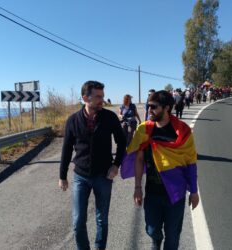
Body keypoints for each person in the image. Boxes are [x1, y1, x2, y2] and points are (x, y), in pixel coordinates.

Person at [121, 90, 199, 250]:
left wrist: (194, 191)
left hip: (176, 194)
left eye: (153, 107)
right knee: (152, 230)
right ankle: (156, 241)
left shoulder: (183, 132)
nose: (149, 110)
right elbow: (139, 158)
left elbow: (191, 162)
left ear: (167, 108)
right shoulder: (144, 130)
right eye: (148, 106)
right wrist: (137, 188)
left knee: (172, 236)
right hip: (153, 193)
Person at [59, 80, 126, 250]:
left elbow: (122, 142)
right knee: (77, 220)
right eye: (98, 97)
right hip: (80, 176)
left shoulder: (110, 117)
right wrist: (62, 176)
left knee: (102, 219)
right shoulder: (73, 120)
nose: (102, 100)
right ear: (85, 98)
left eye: (102, 96)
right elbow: (66, 150)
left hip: (104, 176)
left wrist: (116, 165)